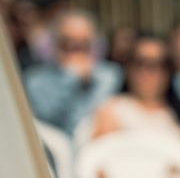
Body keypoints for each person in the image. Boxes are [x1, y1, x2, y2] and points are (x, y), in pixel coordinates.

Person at [91, 33, 180, 170]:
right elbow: (98, 167)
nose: (149, 72)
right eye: (141, 63)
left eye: (159, 64)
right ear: (128, 68)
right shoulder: (112, 111)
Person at [24, 8, 122, 137]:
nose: (76, 52)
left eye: (84, 44)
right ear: (53, 43)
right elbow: (47, 120)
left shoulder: (108, 75)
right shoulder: (35, 79)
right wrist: (71, 77)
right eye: (68, 44)